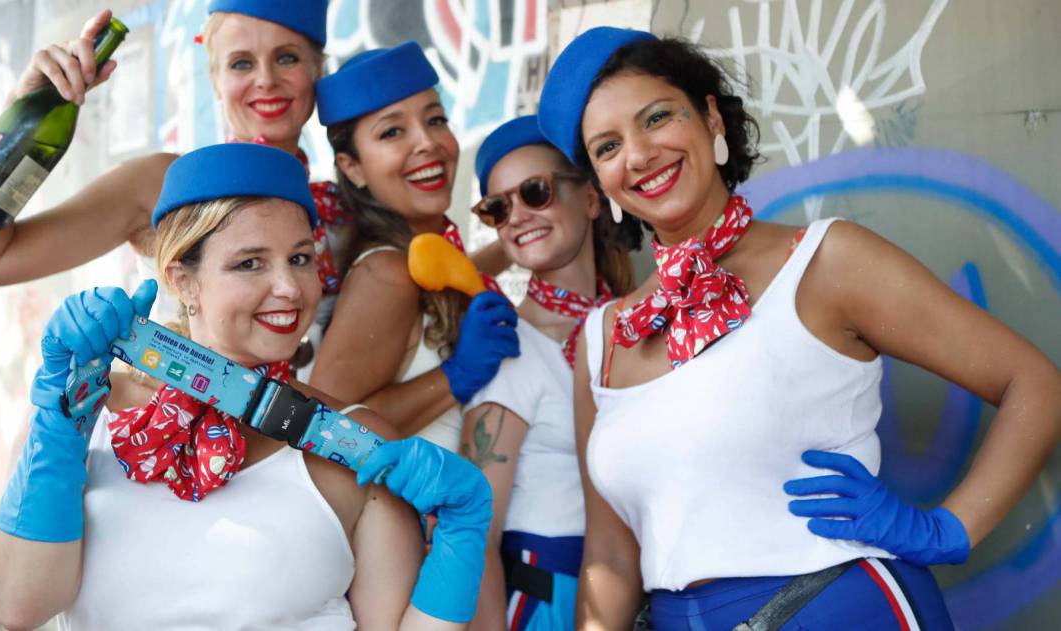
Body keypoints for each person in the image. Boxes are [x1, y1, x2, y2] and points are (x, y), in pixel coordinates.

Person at [534, 27, 1061, 630]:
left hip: (843, 608)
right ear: (601, 184)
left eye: (656, 117)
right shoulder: (602, 339)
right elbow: (609, 555)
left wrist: (948, 528)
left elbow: (1034, 383)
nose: (638, 154)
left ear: (710, 118)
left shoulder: (825, 261)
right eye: (607, 147)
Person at [0, 143, 493, 630]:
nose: (289, 288)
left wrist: (464, 531)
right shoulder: (87, 410)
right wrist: (57, 433)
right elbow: (18, 605)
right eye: (250, 263)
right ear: (181, 280)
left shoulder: (357, 444)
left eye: (300, 258)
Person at [0, 1, 507, 376]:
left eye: (287, 58)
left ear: (317, 71)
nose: (265, 80)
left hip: (294, 479)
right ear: (212, 76)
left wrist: (520, 242)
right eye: (239, 63)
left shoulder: (338, 207)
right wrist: (22, 118)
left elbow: (415, 281)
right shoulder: (161, 184)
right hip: (175, 464)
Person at [460, 115, 639, 630]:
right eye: (498, 208)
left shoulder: (632, 327)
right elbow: (475, 530)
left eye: (535, 192)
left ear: (589, 198)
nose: (516, 216)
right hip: (546, 602)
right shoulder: (510, 353)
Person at [309, 42, 519, 452]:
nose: (428, 143)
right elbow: (323, 426)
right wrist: (457, 375)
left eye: (436, 120)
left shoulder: (420, 254)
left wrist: (515, 244)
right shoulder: (385, 273)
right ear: (353, 167)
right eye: (392, 132)